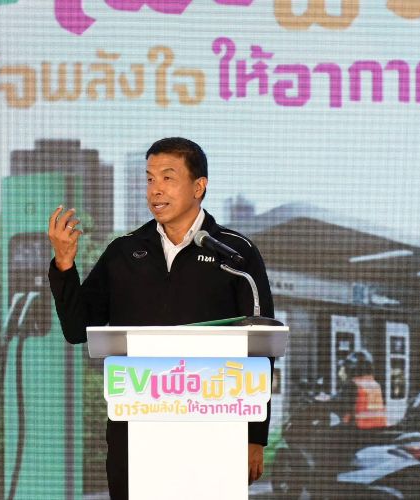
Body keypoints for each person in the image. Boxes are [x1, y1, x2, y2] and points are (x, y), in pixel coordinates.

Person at [48, 137, 275, 499]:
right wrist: (64, 264)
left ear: (199, 186)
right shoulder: (124, 252)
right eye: (150, 179)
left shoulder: (235, 254)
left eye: (168, 178)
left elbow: (261, 350)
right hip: (135, 433)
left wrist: (254, 436)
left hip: (214, 431)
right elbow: (78, 329)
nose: (155, 190)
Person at [332, 350, 387, 431]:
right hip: (378, 429)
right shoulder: (376, 385)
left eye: (347, 367)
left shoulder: (353, 384)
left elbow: (339, 404)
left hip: (356, 430)